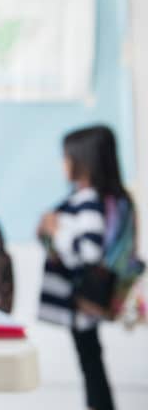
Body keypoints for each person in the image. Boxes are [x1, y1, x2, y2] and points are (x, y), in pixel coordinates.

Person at [38, 125, 132, 410]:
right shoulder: (101, 200)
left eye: (66, 158)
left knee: (90, 360)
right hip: (82, 302)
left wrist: (57, 232)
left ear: (84, 161)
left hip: (81, 302)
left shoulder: (87, 202)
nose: (62, 164)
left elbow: (87, 252)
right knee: (91, 358)